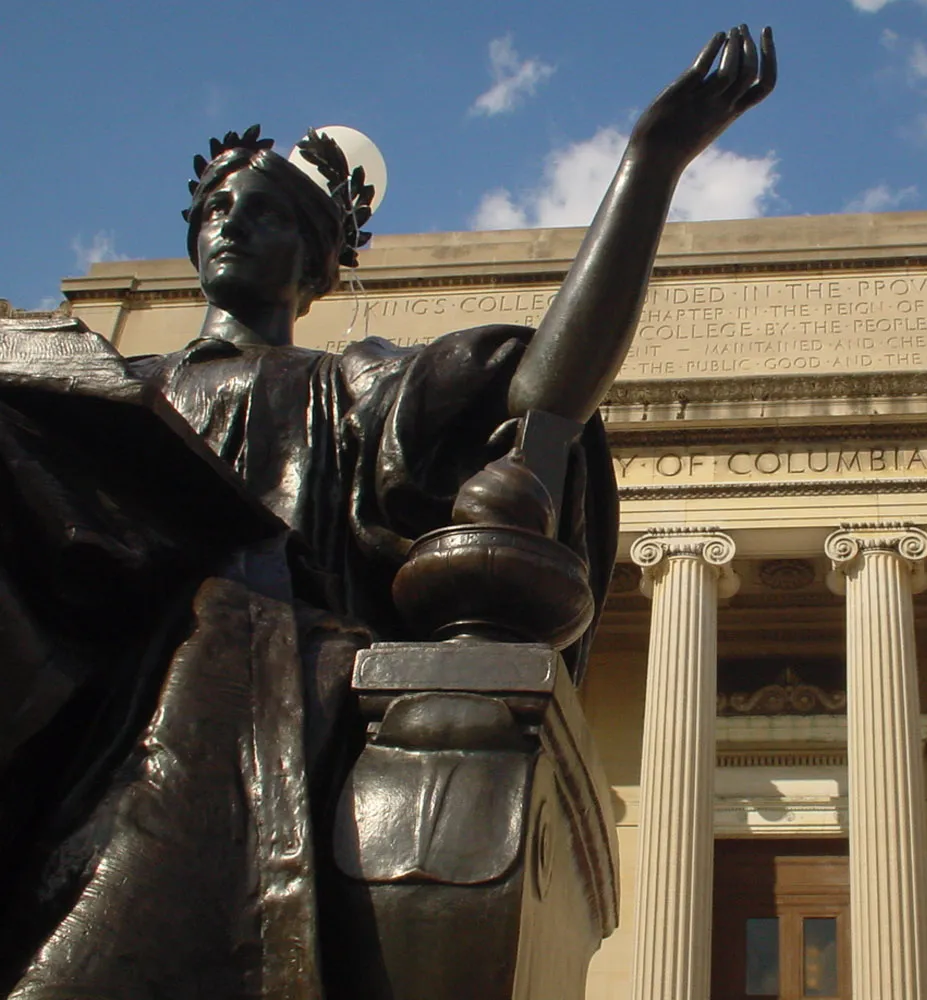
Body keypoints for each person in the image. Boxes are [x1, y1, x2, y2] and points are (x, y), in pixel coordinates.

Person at [0, 27, 774, 999]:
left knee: (200, 661)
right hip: (73, 642)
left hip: (236, 670)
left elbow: (540, 390)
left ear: (318, 263)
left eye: (269, 213)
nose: (233, 224)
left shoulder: (339, 388)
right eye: (217, 207)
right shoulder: (99, 391)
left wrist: (649, 168)